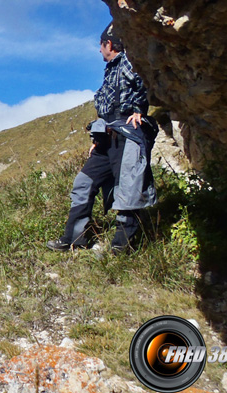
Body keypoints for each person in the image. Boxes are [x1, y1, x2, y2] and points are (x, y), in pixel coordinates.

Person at [46, 22, 157, 254]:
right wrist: (97, 139)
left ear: (109, 44)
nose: (99, 50)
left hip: (127, 134)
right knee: (84, 183)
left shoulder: (126, 60)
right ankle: (74, 239)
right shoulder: (111, 68)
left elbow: (145, 80)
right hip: (107, 138)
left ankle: (121, 249)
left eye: (101, 45)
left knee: (127, 188)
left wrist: (138, 109)